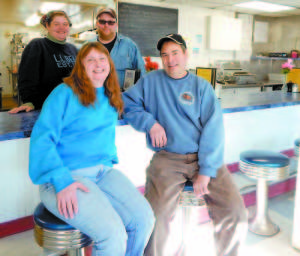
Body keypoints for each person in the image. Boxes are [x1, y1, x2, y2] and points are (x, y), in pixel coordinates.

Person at [122, 34, 248, 256]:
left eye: (175, 53)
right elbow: (126, 103)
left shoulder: (201, 87)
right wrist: (150, 123)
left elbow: (213, 130)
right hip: (168, 159)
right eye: (164, 55)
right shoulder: (151, 81)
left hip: (205, 157)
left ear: (186, 55)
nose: (170, 60)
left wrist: (207, 172)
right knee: (154, 217)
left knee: (235, 212)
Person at [29, 42, 155, 256]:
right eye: (90, 60)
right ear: (81, 66)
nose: (97, 64)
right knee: (112, 235)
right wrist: (62, 180)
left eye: (102, 59)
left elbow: (137, 106)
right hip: (65, 177)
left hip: (103, 173)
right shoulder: (64, 93)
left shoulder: (111, 93)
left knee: (144, 220)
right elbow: (42, 140)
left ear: (110, 64)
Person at [9, 10, 78, 114]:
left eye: (65, 24)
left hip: (71, 108)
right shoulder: (38, 45)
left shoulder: (73, 49)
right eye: (56, 24)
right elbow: (27, 78)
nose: (62, 27)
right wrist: (29, 102)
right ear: (47, 26)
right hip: (45, 109)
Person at [90, 7, 145, 90]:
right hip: (94, 99)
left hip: (122, 100)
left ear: (116, 25)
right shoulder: (87, 47)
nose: (106, 25)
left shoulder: (129, 46)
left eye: (111, 22)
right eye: (102, 22)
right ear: (96, 24)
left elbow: (142, 75)